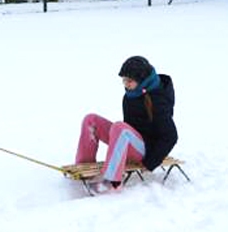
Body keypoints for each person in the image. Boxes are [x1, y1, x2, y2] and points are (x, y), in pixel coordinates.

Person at [75, 55, 178, 193]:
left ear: (142, 80)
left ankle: (112, 181)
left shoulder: (157, 100)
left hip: (147, 151)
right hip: (131, 142)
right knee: (91, 120)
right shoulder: (131, 95)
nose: (126, 84)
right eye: (124, 80)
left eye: (129, 80)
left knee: (120, 127)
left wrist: (150, 162)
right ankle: (84, 166)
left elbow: (171, 136)